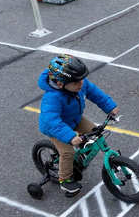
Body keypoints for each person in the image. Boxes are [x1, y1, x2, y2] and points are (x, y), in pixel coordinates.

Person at [38, 54, 119, 195]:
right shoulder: (52, 98)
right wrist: (70, 136)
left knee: (95, 130)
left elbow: (95, 93)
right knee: (67, 152)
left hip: (75, 119)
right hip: (55, 129)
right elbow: (52, 121)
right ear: (60, 84)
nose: (81, 84)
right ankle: (65, 179)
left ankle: (83, 150)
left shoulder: (78, 84)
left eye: (82, 80)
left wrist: (109, 106)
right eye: (76, 82)